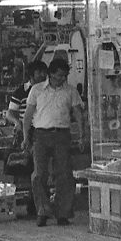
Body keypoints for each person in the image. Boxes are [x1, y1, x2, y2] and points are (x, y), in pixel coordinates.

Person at [22, 56, 84, 228]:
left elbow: (78, 113)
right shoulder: (37, 90)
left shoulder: (70, 91)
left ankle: (63, 212)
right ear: (50, 74)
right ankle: (42, 210)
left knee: (64, 174)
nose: (60, 80)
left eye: (63, 77)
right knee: (39, 174)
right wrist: (25, 136)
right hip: (40, 135)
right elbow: (28, 116)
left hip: (62, 134)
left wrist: (81, 135)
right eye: (57, 76)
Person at [6, 60, 47, 218]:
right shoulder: (21, 91)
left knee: (37, 170)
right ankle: (28, 204)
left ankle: (35, 203)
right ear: (32, 75)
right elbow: (10, 112)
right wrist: (17, 123)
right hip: (27, 133)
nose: (43, 75)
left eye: (44, 72)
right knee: (26, 170)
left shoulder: (47, 90)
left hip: (42, 131)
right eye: (39, 72)